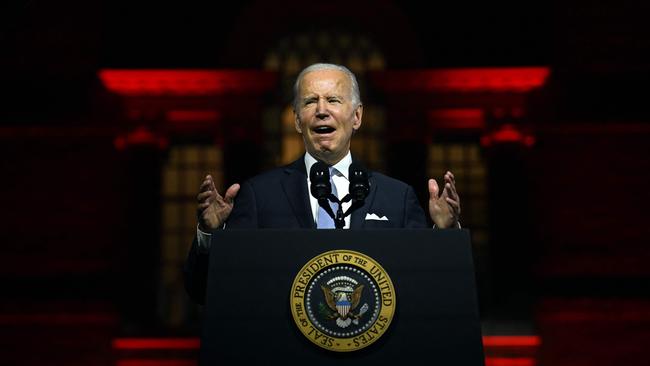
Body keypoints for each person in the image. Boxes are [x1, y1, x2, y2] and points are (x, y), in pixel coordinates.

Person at [184, 63, 461, 304]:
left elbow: (430, 290)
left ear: (357, 117)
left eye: (334, 100)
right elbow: (206, 292)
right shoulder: (259, 195)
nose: (321, 111)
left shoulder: (397, 197)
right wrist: (211, 236)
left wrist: (444, 235)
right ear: (296, 119)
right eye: (309, 102)